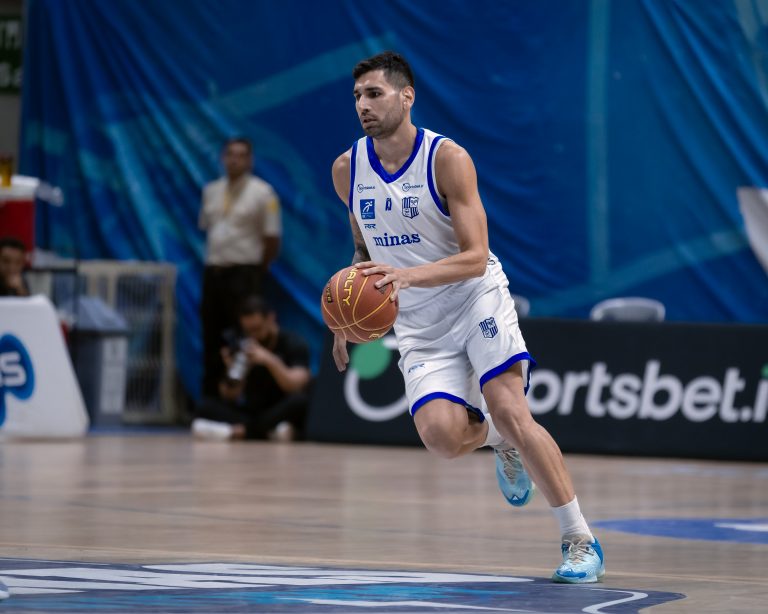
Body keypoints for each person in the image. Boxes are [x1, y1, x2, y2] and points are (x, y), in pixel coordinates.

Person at [330, 51, 605, 583]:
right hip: (418, 319)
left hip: (474, 296)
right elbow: (364, 251)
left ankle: (580, 540)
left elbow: (475, 256)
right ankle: (497, 440)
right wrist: (348, 313)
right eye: (358, 96)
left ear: (407, 96)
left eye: (375, 94)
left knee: (511, 409)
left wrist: (408, 276)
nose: (363, 105)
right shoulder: (348, 169)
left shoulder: (447, 158)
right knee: (440, 436)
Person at [199, 137, 282, 397]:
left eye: (241, 155)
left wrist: (258, 269)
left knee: (245, 337)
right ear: (223, 158)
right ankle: (212, 400)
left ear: (250, 160)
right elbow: (207, 228)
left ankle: (246, 400)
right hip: (214, 272)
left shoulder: (263, 193)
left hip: (244, 274)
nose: (234, 160)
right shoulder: (211, 190)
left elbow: (272, 238)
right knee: (211, 336)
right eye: (230, 154)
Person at [192, 296, 312, 442]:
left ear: (270, 318)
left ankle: (239, 432)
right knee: (205, 406)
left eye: (257, 329)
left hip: (280, 408)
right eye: (248, 331)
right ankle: (267, 432)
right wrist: (233, 370)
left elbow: (296, 386)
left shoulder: (293, 343)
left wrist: (269, 360)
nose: (253, 335)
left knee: (300, 402)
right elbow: (229, 396)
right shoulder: (243, 346)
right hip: (254, 412)